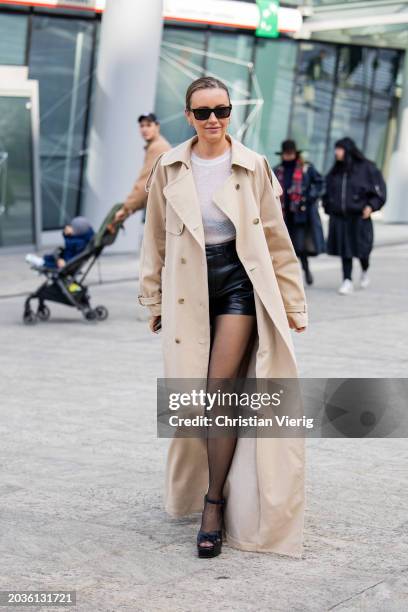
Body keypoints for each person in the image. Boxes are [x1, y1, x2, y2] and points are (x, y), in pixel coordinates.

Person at [137, 76, 308, 560]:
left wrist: (293, 304)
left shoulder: (253, 166)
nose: (214, 119)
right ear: (188, 116)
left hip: (238, 282)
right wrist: (153, 300)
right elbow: (155, 240)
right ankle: (212, 489)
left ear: (230, 113)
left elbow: (276, 240)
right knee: (193, 400)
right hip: (189, 287)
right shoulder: (169, 167)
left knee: (218, 390)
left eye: (222, 110)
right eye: (203, 111)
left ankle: (213, 504)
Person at [323, 137, 386, 295]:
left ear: (347, 150)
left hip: (360, 217)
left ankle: (365, 270)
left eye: (339, 149)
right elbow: (326, 191)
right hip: (340, 218)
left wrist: (371, 207)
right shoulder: (335, 170)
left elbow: (380, 192)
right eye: (336, 149)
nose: (336, 153)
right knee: (346, 251)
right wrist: (328, 206)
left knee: (363, 250)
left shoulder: (367, 168)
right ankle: (347, 280)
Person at [274, 139, 325, 285]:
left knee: (300, 247)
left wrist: (311, 196)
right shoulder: (277, 170)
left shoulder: (306, 168)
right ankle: (290, 276)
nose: (288, 156)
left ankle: (306, 270)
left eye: (290, 153)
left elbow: (320, 183)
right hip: (283, 215)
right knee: (285, 247)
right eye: (286, 154)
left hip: (301, 215)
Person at [114, 113, 171, 223]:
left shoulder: (158, 147)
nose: (144, 129)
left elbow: (145, 183)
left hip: (164, 210)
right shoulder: (157, 145)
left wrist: (126, 208)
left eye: (149, 125)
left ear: (157, 126)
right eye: (142, 126)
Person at [25, 216, 94, 270]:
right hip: (66, 257)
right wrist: (67, 234)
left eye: (72, 227)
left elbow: (74, 253)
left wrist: (66, 262)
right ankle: (43, 260)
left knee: (52, 263)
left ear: (77, 231)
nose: (69, 228)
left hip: (67, 262)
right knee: (51, 257)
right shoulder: (79, 237)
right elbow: (69, 243)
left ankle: (41, 263)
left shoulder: (79, 243)